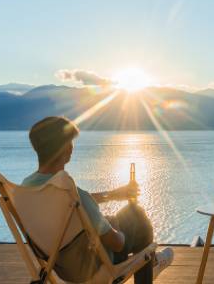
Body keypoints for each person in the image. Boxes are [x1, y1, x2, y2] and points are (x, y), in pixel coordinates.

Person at [21, 116, 172, 283]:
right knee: (137, 216)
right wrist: (114, 228)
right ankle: (150, 263)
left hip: (57, 266)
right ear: (66, 148)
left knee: (119, 217)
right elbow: (117, 244)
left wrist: (114, 195)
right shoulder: (74, 195)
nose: (72, 147)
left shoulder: (26, 190)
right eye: (71, 142)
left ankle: (152, 263)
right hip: (92, 266)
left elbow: (71, 205)